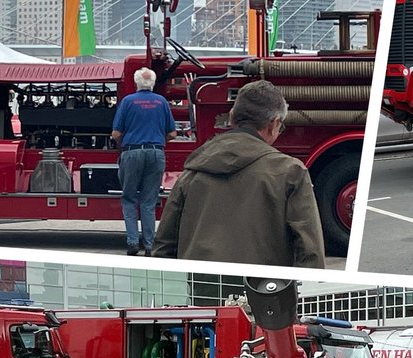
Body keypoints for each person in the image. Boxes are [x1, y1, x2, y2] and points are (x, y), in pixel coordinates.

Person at [154, 80, 325, 268]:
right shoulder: (290, 173)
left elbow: (163, 246)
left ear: (232, 117)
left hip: (202, 290)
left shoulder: (193, 171)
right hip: (263, 293)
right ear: (273, 123)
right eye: (280, 126)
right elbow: (311, 252)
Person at [110, 68, 177, 257]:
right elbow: (172, 133)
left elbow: (116, 133)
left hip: (132, 153)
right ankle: (149, 245)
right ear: (153, 83)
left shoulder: (128, 102)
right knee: (148, 201)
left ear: (136, 82)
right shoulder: (162, 102)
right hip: (156, 153)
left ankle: (132, 243)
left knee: (129, 198)